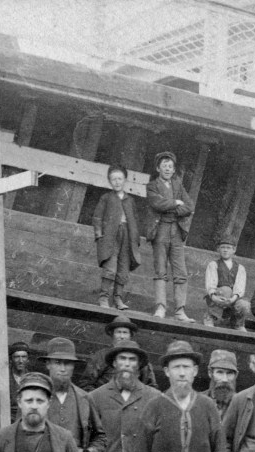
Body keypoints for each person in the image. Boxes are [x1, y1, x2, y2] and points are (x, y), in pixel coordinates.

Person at [146, 150, 195, 321]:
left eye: (170, 167)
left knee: (180, 271)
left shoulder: (178, 186)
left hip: (176, 229)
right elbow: (156, 203)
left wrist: (175, 208)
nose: (167, 169)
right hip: (161, 230)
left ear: (174, 170)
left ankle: (180, 311)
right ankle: (160, 307)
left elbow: (188, 206)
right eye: (164, 166)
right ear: (158, 168)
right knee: (160, 269)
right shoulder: (152, 186)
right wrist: (175, 203)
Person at [92, 166, 141, 309]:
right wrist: (99, 235)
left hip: (127, 236)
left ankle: (118, 299)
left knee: (123, 268)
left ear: (125, 180)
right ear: (109, 181)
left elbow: (135, 220)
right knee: (110, 267)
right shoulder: (106, 198)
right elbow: (97, 217)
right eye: (114, 179)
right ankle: (103, 298)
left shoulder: (130, 200)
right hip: (110, 236)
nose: (117, 182)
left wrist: (135, 240)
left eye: (120, 178)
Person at [79, 318, 158, 392]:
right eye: (118, 332)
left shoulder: (139, 357)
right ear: (112, 334)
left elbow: (151, 386)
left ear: (130, 335)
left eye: (125, 333)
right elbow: (86, 384)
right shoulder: (100, 356)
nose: (122, 336)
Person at [204, 238, 252, 330]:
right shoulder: (213, 264)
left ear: (234, 250)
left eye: (228, 248)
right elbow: (210, 284)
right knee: (226, 290)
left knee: (244, 304)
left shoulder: (240, 268)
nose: (225, 250)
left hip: (232, 299)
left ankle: (237, 323)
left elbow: (239, 287)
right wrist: (214, 296)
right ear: (218, 249)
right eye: (223, 247)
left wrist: (233, 299)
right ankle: (210, 317)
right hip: (217, 297)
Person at [8, 341, 32, 419]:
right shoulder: (3, 377)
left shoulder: (33, 379)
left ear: (28, 360)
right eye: (17, 357)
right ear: (11, 360)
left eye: (24, 357)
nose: (20, 361)